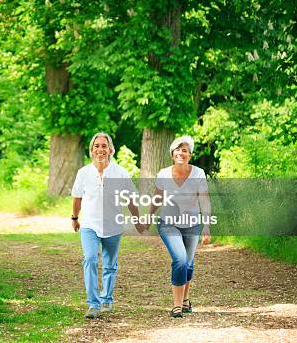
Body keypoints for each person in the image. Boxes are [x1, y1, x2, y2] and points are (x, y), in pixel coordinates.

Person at [71, 132, 145, 319]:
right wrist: (74, 217)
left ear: (110, 149)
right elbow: (77, 197)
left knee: (110, 265)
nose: (100, 149)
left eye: (104, 146)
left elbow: (130, 200)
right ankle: (93, 304)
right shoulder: (83, 173)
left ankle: (107, 300)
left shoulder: (120, 173)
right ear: (91, 150)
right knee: (90, 259)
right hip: (89, 224)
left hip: (113, 225)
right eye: (97, 146)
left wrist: (137, 220)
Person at [150, 135, 211, 318]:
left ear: (190, 155)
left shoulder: (198, 173)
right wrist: (149, 216)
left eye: (184, 150)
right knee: (181, 259)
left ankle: (185, 300)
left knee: (189, 263)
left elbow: (204, 200)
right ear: (172, 153)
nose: (180, 153)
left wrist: (207, 226)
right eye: (177, 149)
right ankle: (177, 306)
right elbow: (157, 198)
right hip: (168, 223)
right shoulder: (163, 174)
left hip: (192, 224)